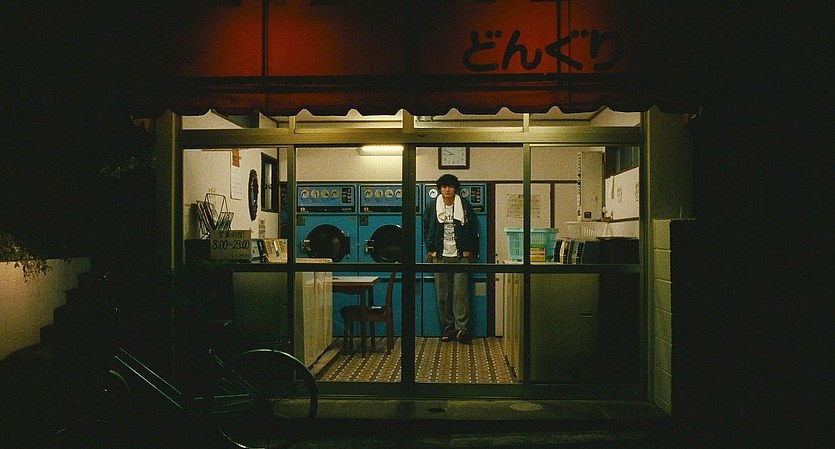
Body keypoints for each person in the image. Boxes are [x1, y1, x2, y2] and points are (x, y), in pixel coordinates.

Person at [423, 174, 479, 344]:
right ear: (440, 189)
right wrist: (431, 249)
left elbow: (473, 229)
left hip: (460, 256)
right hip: (440, 256)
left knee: (461, 295)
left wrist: (472, 251)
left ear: (456, 189)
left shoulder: (465, 206)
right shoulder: (432, 206)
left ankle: (461, 329)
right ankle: (447, 329)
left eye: (450, 187)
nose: (447, 190)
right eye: (444, 187)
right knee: (443, 295)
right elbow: (426, 228)